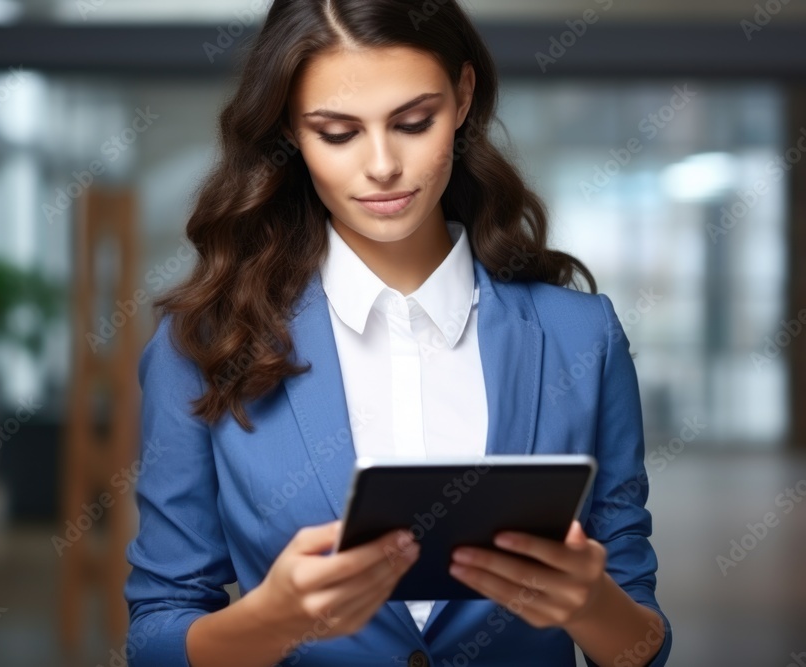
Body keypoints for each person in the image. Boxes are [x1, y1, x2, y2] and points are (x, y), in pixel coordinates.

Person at [123, 1, 672, 666]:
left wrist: (590, 605)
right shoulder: (202, 346)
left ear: (463, 96)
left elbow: (643, 643)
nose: (382, 165)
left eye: (414, 122)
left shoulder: (582, 338)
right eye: (337, 132)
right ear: (290, 130)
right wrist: (268, 621)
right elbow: (156, 631)